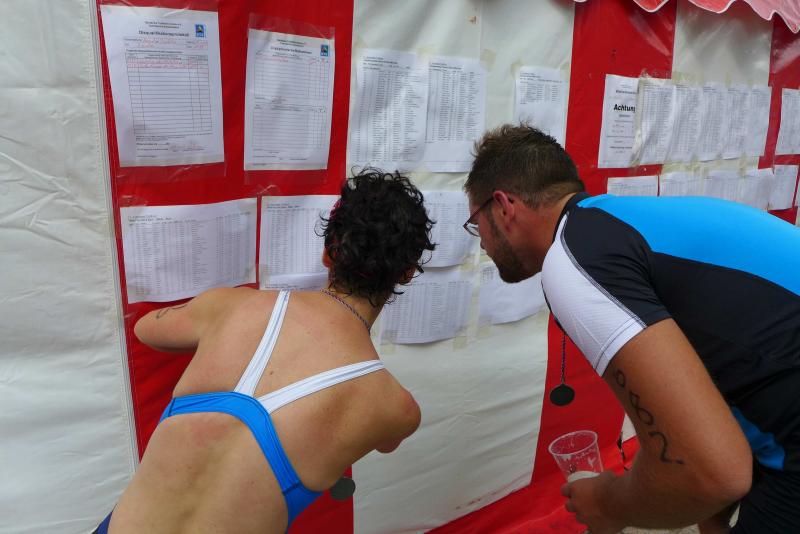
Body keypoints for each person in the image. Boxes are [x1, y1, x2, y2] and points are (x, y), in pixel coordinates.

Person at [464, 124, 800, 534]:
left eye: (475, 223)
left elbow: (712, 472)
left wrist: (607, 504)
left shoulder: (571, 259)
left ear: (503, 207)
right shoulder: (615, 221)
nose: (481, 242)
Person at [94, 169, 435, 534]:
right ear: (407, 273)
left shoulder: (230, 307)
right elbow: (387, 443)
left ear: (328, 252)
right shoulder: (395, 408)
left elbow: (146, 329)